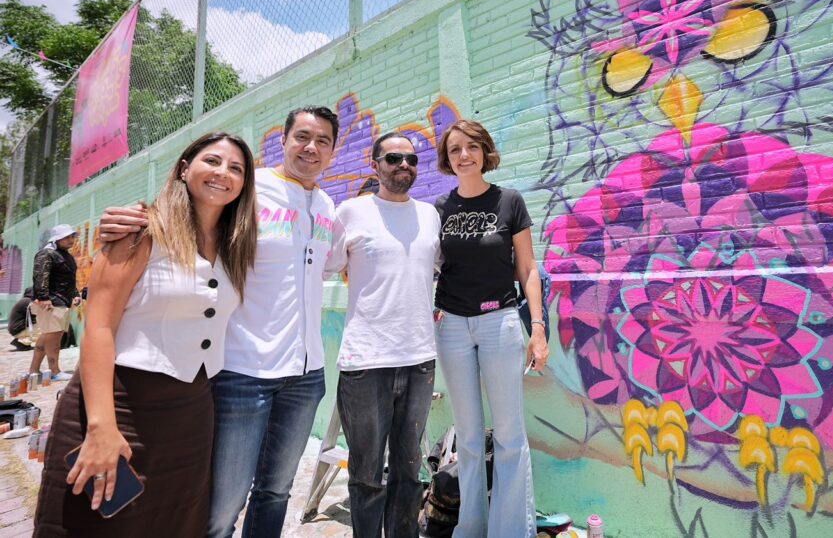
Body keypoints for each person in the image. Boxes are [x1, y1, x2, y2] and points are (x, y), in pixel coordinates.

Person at [98, 106, 340, 538]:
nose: (311, 147)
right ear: (282, 141)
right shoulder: (249, 190)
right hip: (242, 371)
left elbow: (328, 266)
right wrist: (131, 217)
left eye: (323, 140)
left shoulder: (327, 206)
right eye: (302, 136)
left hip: (306, 377)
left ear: (334, 151)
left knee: (276, 492)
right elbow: (189, 215)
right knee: (223, 505)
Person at [33, 132, 259, 536]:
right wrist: (102, 425)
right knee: (95, 522)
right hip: (119, 404)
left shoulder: (235, 247)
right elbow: (99, 326)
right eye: (213, 161)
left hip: (190, 416)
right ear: (185, 168)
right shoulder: (140, 230)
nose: (223, 172)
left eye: (236, 168)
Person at [433, 120, 549, 538]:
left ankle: (511, 531)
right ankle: (470, 528)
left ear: (485, 151)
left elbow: (528, 269)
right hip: (452, 328)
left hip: (499, 323)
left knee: (509, 436)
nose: (464, 155)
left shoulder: (509, 201)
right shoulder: (439, 209)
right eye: (455, 150)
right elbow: (428, 268)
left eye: (472, 147)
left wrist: (537, 328)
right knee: (466, 437)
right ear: (447, 159)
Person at [326, 131, 441, 538]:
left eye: (411, 160)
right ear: (375, 165)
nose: (403, 166)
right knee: (367, 475)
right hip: (366, 364)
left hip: (419, 361)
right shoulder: (351, 212)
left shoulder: (430, 215)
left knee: (409, 473)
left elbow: (437, 270)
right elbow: (323, 266)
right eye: (393, 158)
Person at [29, 224, 81, 380]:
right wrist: (44, 297)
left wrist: (75, 294)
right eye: (66, 237)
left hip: (60, 301)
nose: (70, 240)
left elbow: (68, 278)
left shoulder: (65, 255)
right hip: (51, 301)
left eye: (72, 236)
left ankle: (33, 370)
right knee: (54, 337)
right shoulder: (47, 254)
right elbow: (40, 276)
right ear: (56, 238)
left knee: (48, 336)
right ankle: (54, 372)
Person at [7, 286, 35, 351]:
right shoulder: (27, 301)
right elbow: (37, 313)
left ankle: (22, 341)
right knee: (43, 327)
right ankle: (21, 342)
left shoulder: (24, 300)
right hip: (17, 329)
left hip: (16, 328)